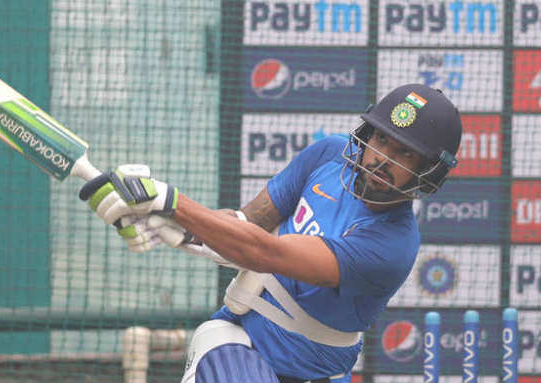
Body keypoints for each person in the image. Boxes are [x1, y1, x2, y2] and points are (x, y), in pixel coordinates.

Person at [78, 83, 463, 383]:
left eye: (405, 154)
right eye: (381, 140)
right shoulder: (329, 154)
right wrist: (169, 224)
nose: (382, 159)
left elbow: (266, 254)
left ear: (428, 172)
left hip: (317, 373)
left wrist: (170, 203)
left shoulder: (391, 246)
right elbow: (246, 227)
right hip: (238, 348)